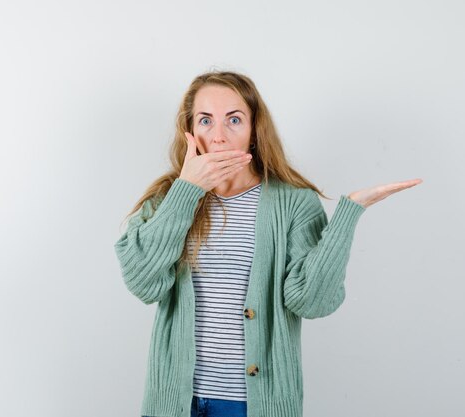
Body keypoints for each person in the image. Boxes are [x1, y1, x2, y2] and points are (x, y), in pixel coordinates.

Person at [113, 70, 422, 417]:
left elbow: (311, 301)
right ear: (189, 131)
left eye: (234, 119)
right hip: (175, 404)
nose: (218, 136)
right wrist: (187, 190)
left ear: (254, 130)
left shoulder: (292, 203)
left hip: (255, 405)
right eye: (205, 120)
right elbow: (142, 283)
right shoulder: (169, 200)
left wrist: (348, 215)